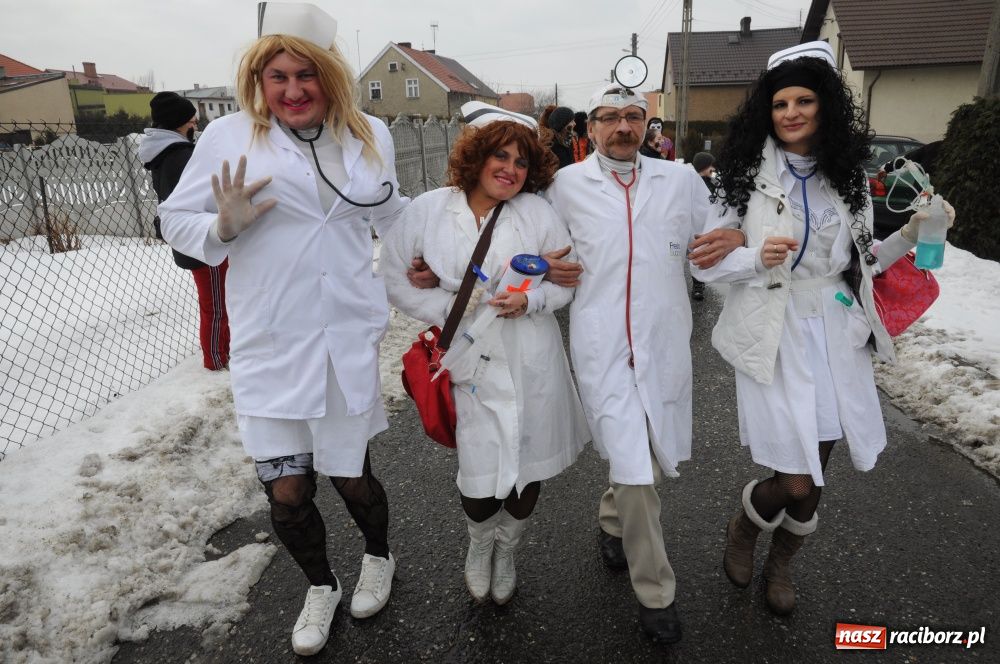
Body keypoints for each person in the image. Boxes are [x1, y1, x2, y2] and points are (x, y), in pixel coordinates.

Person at [158, 2, 411, 656]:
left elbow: (393, 217)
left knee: (350, 472)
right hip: (272, 341)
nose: (294, 90)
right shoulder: (228, 138)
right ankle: (319, 584)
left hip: (344, 334)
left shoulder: (369, 133)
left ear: (330, 77)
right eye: (279, 77)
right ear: (259, 82)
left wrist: (435, 250)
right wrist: (222, 227)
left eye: (307, 74)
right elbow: (174, 221)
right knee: (289, 488)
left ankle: (378, 556)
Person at [692, 42, 956, 616]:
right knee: (794, 479)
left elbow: (862, 262)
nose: (790, 112)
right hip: (774, 328)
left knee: (822, 463)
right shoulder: (741, 179)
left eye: (804, 100)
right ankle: (746, 524)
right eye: (780, 102)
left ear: (825, 107)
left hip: (837, 328)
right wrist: (756, 256)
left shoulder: (848, 180)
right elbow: (701, 261)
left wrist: (911, 233)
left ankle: (783, 561)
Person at [542, 84, 745, 644]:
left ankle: (612, 519)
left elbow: (720, 235)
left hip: (663, 342)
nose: (623, 128)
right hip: (602, 345)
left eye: (634, 117)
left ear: (648, 127)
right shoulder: (564, 187)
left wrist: (741, 236)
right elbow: (520, 238)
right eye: (610, 118)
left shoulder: (679, 182)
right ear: (591, 129)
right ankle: (656, 592)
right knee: (636, 470)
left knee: (649, 459)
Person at [381, 102, 589, 605]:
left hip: (530, 356)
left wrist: (531, 299)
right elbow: (394, 280)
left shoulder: (537, 213)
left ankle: (509, 547)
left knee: (529, 463)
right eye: (500, 156)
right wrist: (456, 305)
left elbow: (567, 281)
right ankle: (480, 545)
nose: (510, 170)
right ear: (475, 157)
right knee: (479, 472)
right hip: (469, 361)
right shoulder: (429, 210)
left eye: (521, 163)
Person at [140, 92, 230, 370]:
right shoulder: (181, 156)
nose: (195, 125)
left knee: (217, 302)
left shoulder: (163, 153)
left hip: (192, 238)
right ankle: (215, 361)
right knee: (215, 306)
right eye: (192, 120)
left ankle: (222, 351)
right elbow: (194, 200)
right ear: (181, 124)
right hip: (201, 240)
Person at [688, 151, 717, 301]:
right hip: (694, 225)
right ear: (703, 167)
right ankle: (695, 284)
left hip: (708, 224)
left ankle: (700, 283)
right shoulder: (692, 183)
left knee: (702, 253)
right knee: (694, 253)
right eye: (710, 166)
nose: (713, 168)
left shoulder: (713, 183)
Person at [539, 104, 575, 169]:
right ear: (563, 124)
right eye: (571, 121)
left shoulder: (566, 142)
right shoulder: (553, 146)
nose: (575, 123)